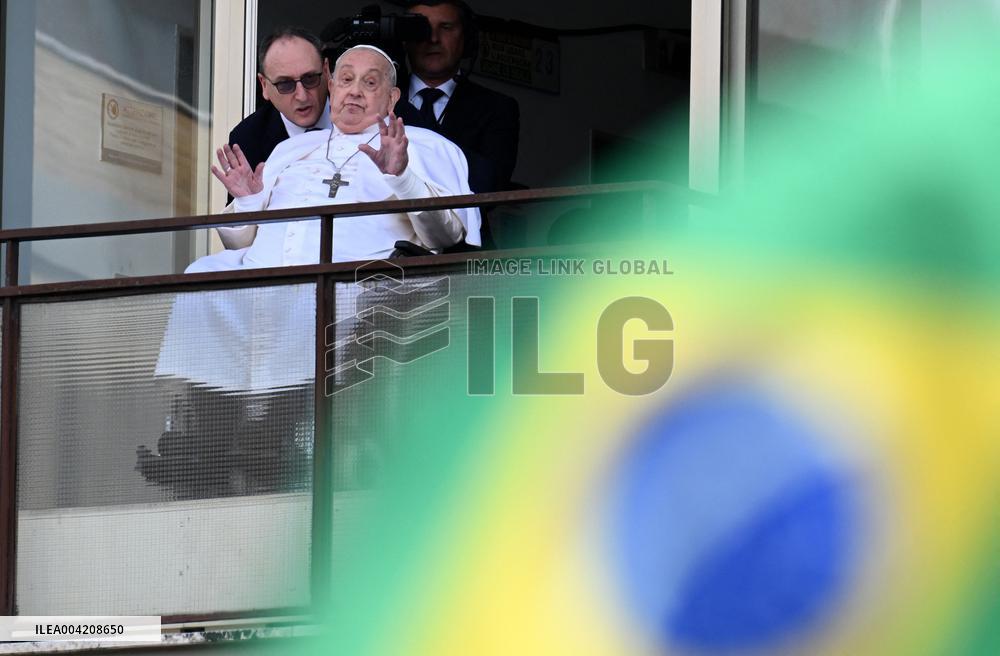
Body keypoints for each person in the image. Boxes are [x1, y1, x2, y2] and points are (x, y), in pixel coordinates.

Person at [137, 45, 479, 498]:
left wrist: (402, 176)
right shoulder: (289, 151)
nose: (354, 91)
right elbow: (241, 240)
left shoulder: (429, 147)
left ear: (393, 97)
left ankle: (269, 433)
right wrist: (247, 200)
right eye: (345, 79)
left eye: (370, 82)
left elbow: (448, 237)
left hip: (359, 279)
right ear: (331, 86)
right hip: (268, 273)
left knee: (309, 293)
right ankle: (205, 439)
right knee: (205, 276)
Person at [394, 0, 520, 194]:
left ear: (467, 39)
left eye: (445, 27)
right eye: (421, 28)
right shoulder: (377, 101)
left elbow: (492, 186)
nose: (433, 38)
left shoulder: (497, 107)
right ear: (405, 40)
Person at [229, 27, 331, 171]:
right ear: (264, 85)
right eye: (285, 84)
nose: (302, 96)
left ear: (326, 72)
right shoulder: (246, 139)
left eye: (310, 79)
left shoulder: (366, 118)